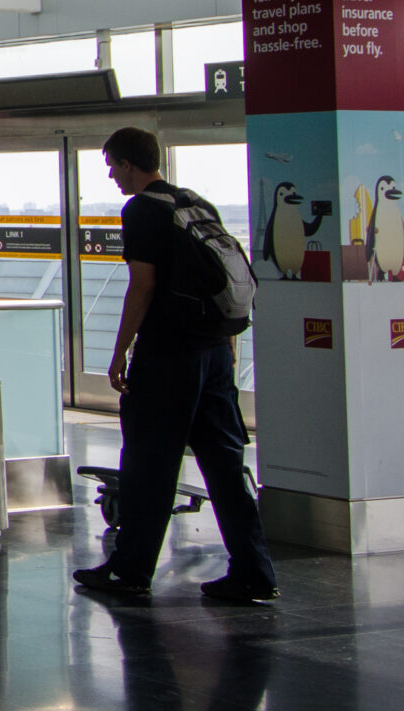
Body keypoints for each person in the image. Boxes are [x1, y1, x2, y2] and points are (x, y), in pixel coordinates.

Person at [77, 127, 278, 604]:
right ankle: (254, 571)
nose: (111, 175)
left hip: (169, 356)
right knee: (226, 466)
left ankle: (130, 570)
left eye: (113, 165)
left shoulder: (142, 209)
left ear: (129, 164)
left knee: (150, 462)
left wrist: (121, 349)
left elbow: (142, 286)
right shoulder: (194, 203)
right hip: (213, 354)